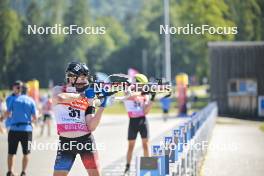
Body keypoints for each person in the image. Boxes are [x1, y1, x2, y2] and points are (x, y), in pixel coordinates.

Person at [52, 61, 109, 176]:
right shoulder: (58, 89)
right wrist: (82, 95)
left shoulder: (88, 97)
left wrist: (102, 105)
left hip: (85, 141)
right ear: (71, 78)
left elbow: (91, 126)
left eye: (85, 77)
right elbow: (60, 98)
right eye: (82, 77)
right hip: (66, 143)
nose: (85, 80)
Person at [0, 81, 37, 176]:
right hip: (27, 130)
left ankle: (9, 172)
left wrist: (1, 119)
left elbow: (8, 113)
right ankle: (23, 172)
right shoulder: (31, 100)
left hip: (14, 129)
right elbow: (35, 117)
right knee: (26, 153)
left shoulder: (13, 99)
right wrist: (31, 122)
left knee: (11, 152)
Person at [123, 74, 155, 174]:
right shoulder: (129, 90)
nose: (143, 87)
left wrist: (152, 99)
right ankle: (127, 167)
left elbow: (145, 111)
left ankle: (148, 166)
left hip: (142, 120)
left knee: (146, 145)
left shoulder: (144, 94)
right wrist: (141, 92)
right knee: (131, 146)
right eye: (142, 85)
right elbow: (128, 95)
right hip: (132, 121)